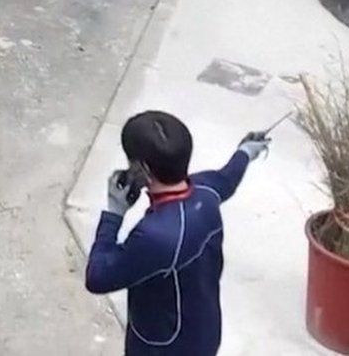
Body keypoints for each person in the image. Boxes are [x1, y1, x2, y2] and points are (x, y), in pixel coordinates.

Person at [84, 110, 269, 355]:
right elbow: (227, 178)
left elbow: (98, 277)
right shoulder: (205, 190)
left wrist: (114, 214)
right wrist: (246, 151)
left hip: (163, 346)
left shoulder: (156, 236)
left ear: (143, 168)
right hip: (204, 331)